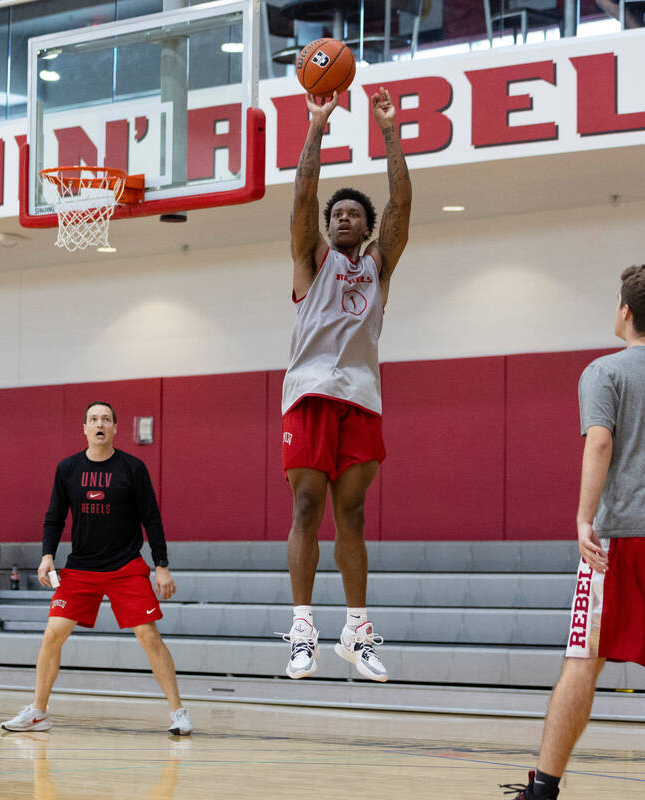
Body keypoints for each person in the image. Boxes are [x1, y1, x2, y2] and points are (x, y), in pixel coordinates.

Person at [502, 266, 645, 800]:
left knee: (582, 659)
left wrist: (582, 519)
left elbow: (599, 444)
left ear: (625, 312)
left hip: (626, 537)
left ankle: (544, 789)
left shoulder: (605, 371)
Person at [280, 86, 411, 682]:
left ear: (368, 226)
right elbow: (304, 196)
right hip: (309, 392)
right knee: (307, 505)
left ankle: (357, 630)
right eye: (337, 214)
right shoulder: (312, 259)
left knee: (351, 515)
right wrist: (315, 128)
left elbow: (403, 203)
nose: (342, 218)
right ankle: (303, 627)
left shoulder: (380, 265)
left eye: (353, 213)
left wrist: (388, 130)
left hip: (361, 397)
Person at [1, 401, 192, 736]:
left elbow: (152, 518)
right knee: (52, 634)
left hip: (125, 566)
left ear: (116, 428)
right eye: (93, 419)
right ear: (85, 428)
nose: (99, 423)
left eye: (106, 419)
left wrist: (161, 565)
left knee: (148, 636)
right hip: (81, 568)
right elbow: (54, 517)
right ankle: (38, 713)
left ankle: (178, 712)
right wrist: (47, 556)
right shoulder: (68, 468)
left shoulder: (133, 468)